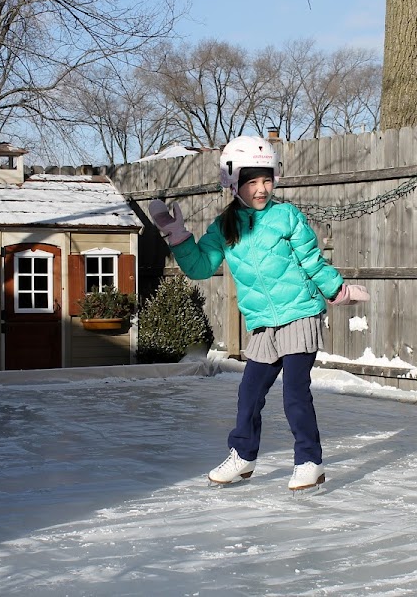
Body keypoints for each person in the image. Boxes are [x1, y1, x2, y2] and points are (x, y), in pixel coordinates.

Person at [147, 135, 369, 491]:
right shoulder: (225, 227)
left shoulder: (286, 216)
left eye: (267, 179)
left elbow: (311, 260)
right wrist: (177, 236)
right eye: (252, 181)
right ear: (234, 183)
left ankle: (309, 461)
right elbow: (201, 267)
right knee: (249, 394)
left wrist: (336, 289)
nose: (261, 188)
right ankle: (243, 456)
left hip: (299, 313)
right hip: (264, 323)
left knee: (295, 393)